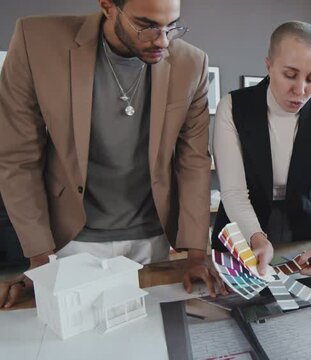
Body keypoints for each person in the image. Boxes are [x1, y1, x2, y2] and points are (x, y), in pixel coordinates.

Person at [0, 0, 224, 309]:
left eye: (171, 26)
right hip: (70, 241)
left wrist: (197, 253)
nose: (162, 41)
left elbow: (194, 162)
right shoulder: (36, 42)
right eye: (146, 25)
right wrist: (40, 256)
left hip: (152, 240)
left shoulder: (192, 64)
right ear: (108, 7)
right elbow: (17, 157)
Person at [212, 21, 311, 278]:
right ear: (268, 65)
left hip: (301, 226)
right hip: (242, 223)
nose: (301, 90)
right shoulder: (232, 108)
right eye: (290, 74)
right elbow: (234, 193)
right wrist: (257, 237)